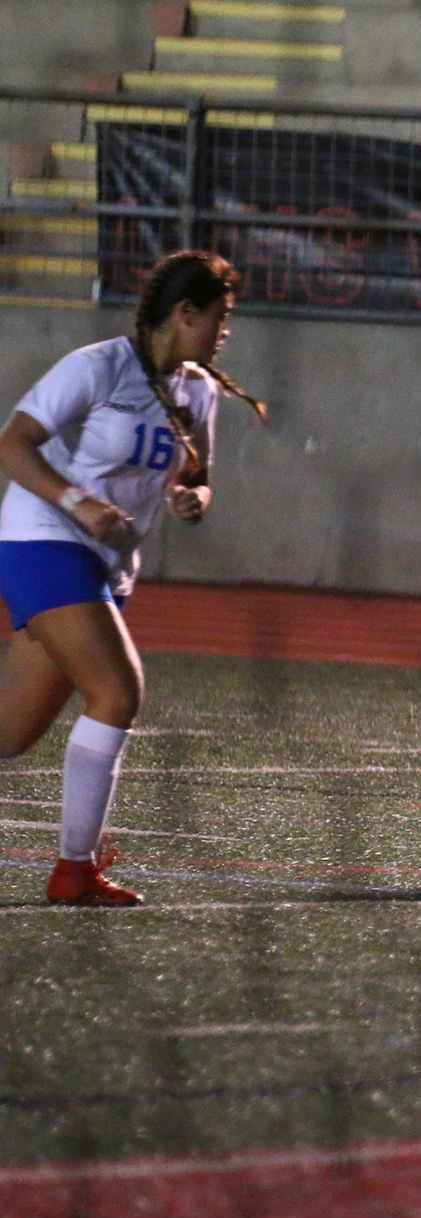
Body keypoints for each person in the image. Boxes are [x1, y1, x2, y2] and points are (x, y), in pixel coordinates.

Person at [0, 249, 265, 906]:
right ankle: (74, 872)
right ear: (185, 313)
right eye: (221, 317)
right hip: (43, 538)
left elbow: (196, 477)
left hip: (109, 563)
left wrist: (190, 499)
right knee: (117, 695)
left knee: (8, 735)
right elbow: (12, 443)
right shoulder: (96, 367)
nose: (225, 332)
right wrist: (75, 502)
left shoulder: (198, 390)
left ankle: (75, 870)